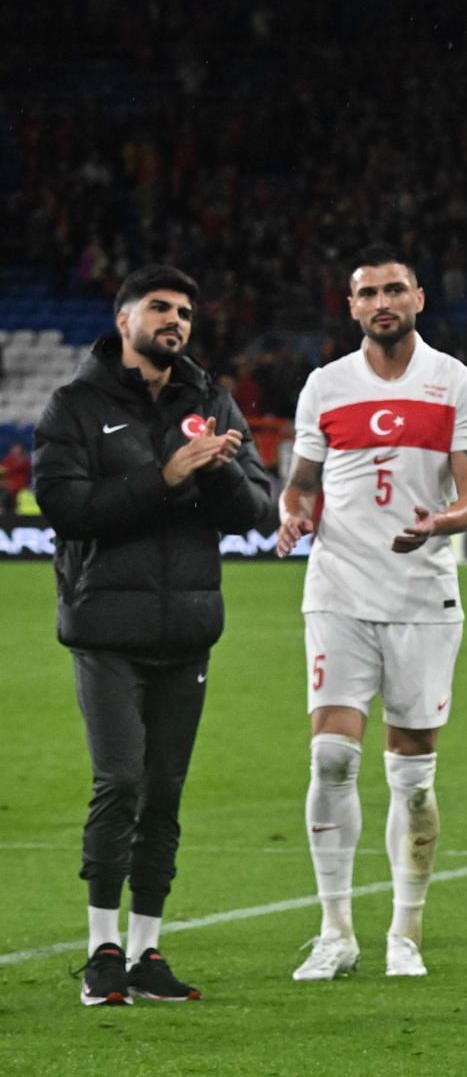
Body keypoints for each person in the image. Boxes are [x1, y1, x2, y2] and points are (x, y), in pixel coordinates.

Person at [32, 264, 275, 1004]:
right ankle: (101, 947)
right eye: (160, 308)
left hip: (186, 631)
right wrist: (166, 477)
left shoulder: (211, 399)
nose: (176, 321)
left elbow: (257, 512)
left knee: (164, 794)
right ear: (125, 317)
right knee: (121, 782)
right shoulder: (75, 405)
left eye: (185, 313)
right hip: (107, 628)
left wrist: (219, 474)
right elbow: (65, 507)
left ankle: (146, 949)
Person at [276, 244, 467, 981]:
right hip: (338, 590)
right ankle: (336, 928)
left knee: (414, 780)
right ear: (352, 306)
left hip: (422, 599)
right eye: (367, 292)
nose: (382, 301)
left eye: (394, 288)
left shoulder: (456, 382)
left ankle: (405, 929)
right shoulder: (325, 386)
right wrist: (294, 515)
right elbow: (300, 482)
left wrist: (442, 523)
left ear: (419, 298)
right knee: (331, 756)